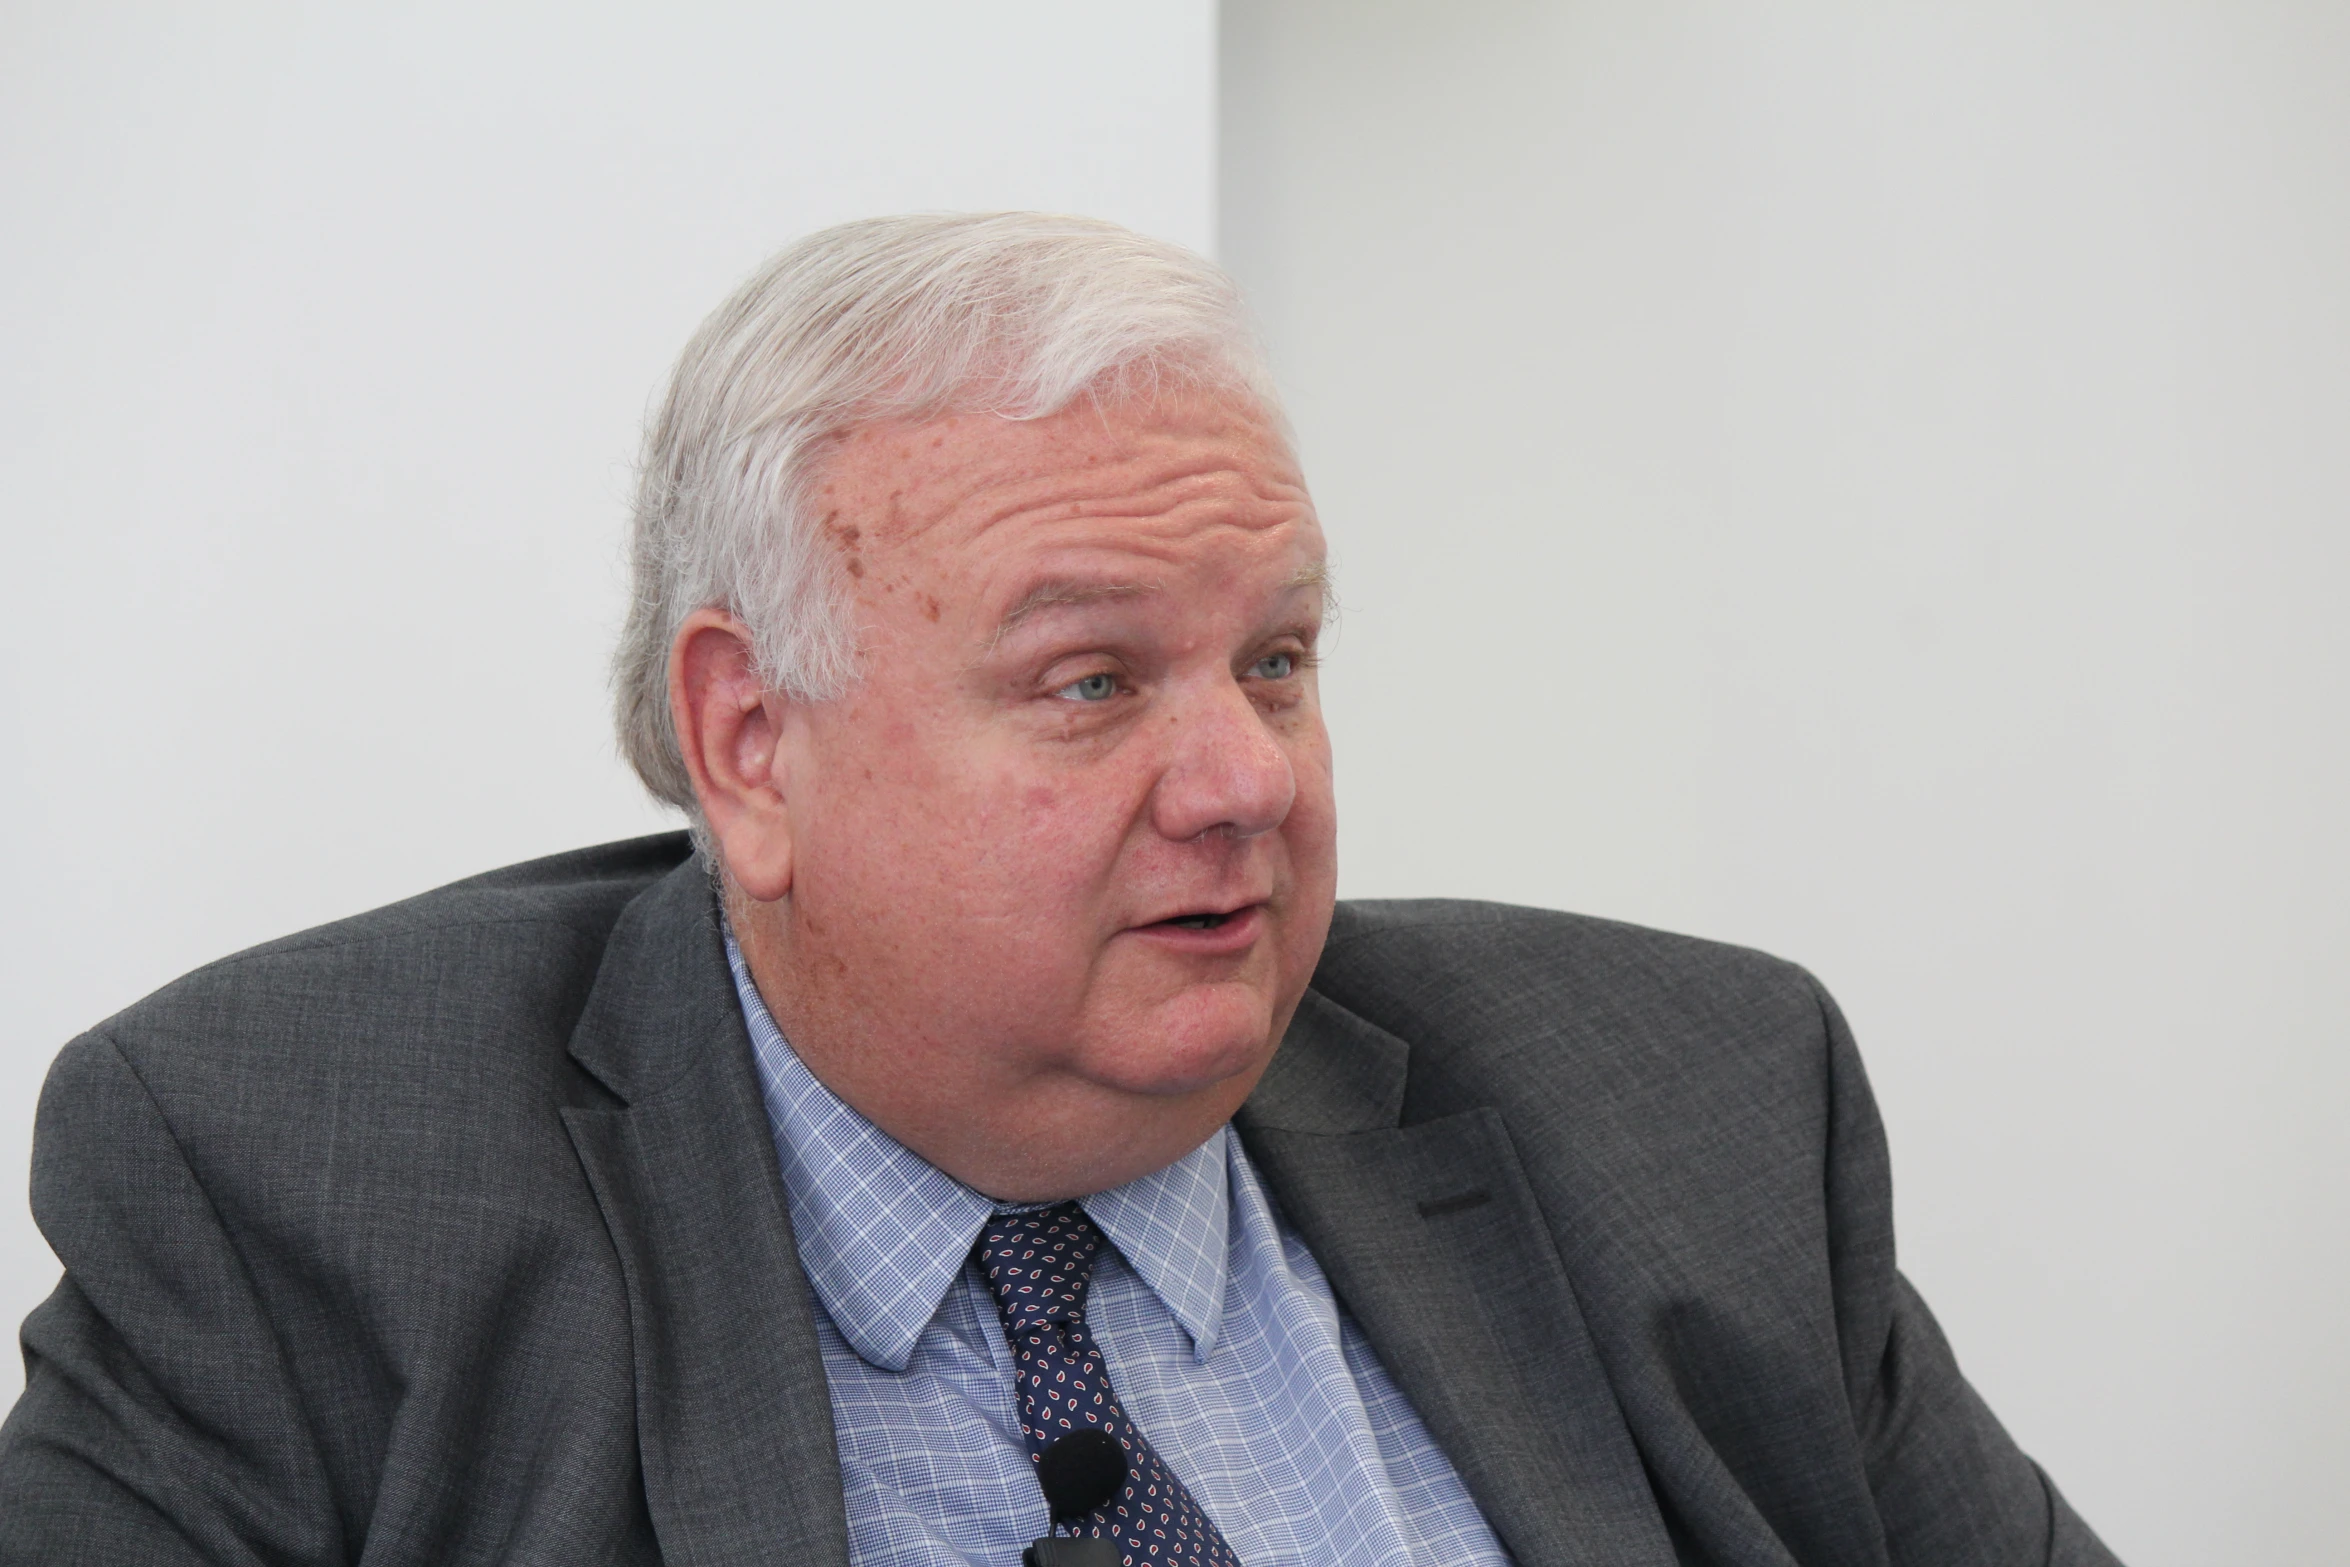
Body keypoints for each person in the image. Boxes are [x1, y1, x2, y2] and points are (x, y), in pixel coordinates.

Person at [0, 214, 2121, 1567]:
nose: (1242, 783)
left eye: (1274, 660)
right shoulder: (294, 1187)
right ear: (751, 743)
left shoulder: (1696, 1109)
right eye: (1089, 680)